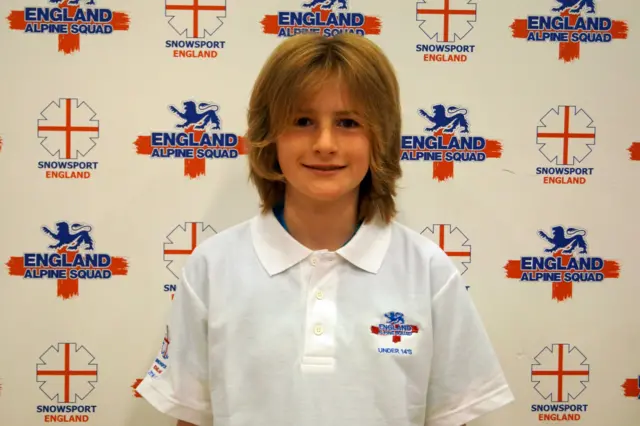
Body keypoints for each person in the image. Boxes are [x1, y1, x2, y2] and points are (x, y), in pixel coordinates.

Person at [135, 32, 515, 426]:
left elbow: (453, 416)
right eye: (302, 121)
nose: (325, 143)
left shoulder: (428, 272)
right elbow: (191, 416)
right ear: (269, 135)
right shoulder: (212, 268)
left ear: (380, 138)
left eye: (349, 122)